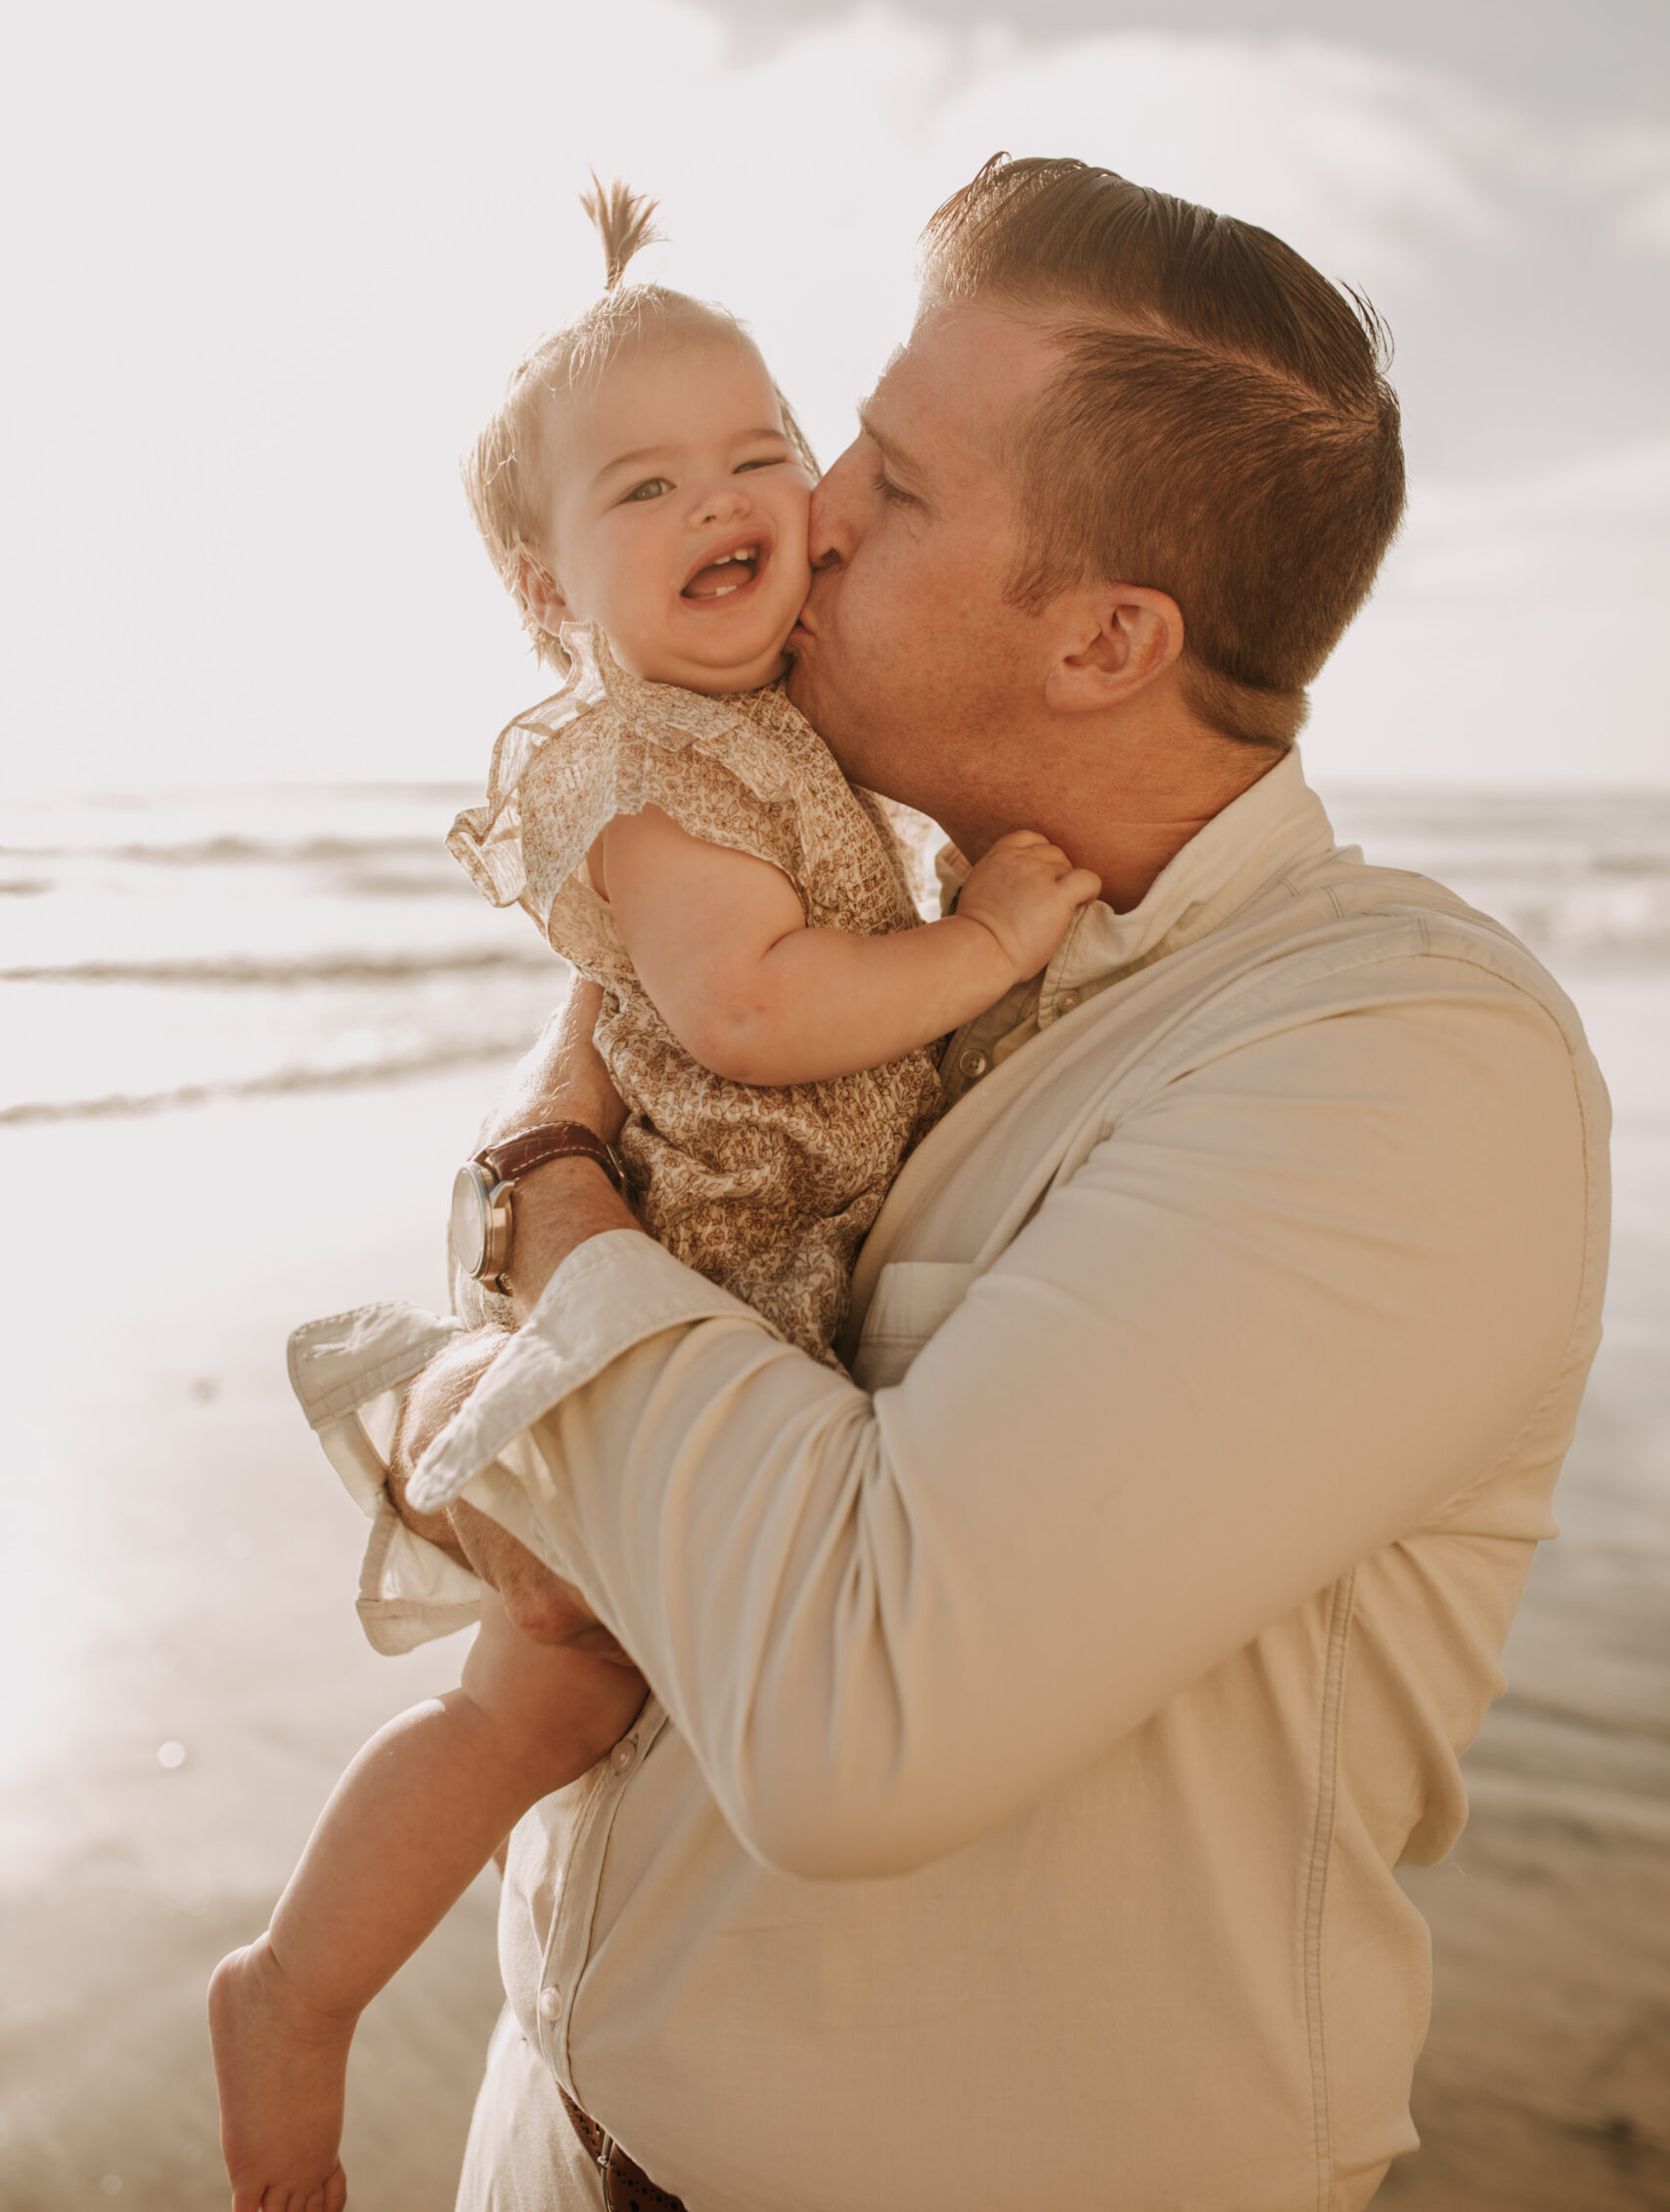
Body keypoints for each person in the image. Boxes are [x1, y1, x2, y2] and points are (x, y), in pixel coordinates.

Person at [355, 158, 1605, 2210]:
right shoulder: (850, 949)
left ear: (1108, 638)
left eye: (897, 483)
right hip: (549, 2136)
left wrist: (552, 1200)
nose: (811, 508)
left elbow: (855, 1706)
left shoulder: (1390, 1057)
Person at [207, 181, 1096, 2212]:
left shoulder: (772, 719)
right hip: (681, 1279)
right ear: (545, 590)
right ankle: (297, 1988)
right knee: (550, 1684)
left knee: (625, 1700)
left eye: (759, 453)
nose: (728, 498)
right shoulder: (631, 769)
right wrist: (988, 945)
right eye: (644, 485)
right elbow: (750, 999)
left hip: (742, 1277)